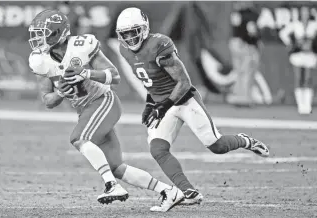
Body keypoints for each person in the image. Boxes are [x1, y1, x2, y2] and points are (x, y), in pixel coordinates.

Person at [28, 9, 184, 212]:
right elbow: (48, 100)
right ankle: (169, 191)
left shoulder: (81, 46)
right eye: (36, 34)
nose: (37, 39)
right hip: (84, 110)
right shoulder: (40, 60)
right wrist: (62, 94)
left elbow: (114, 75)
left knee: (79, 138)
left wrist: (86, 73)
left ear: (58, 33)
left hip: (103, 101)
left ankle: (111, 186)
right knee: (116, 167)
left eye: (43, 33)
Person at [116, 7, 270, 206]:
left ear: (144, 28)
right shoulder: (125, 51)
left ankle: (245, 141)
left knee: (217, 145)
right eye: (125, 34)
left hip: (184, 100)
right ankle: (189, 192)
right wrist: (150, 102)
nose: (129, 38)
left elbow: (184, 82)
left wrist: (163, 106)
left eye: (133, 32)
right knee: (158, 149)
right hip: (163, 104)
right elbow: (151, 80)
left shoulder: (159, 45)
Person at [278, 3, 316, 115]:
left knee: (308, 79)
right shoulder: (295, 24)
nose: (305, 14)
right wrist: (290, 44)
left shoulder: (314, 24)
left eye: (307, 12)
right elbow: (283, 33)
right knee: (298, 78)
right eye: (303, 12)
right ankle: (301, 105)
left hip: (309, 55)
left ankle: (307, 105)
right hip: (298, 55)